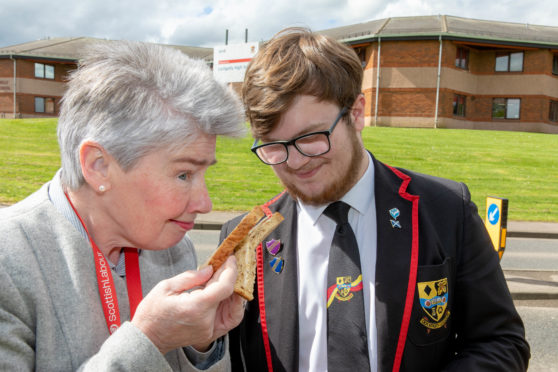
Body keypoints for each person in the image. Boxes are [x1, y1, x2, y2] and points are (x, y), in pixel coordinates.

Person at [220, 28, 530, 372]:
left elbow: (500, 342)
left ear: (357, 113)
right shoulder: (246, 239)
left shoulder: (446, 210)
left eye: (310, 138)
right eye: (273, 146)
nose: (294, 162)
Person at [0, 40, 247, 371]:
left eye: (204, 173)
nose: (205, 203)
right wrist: (150, 340)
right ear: (99, 165)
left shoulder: (176, 249)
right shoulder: (8, 263)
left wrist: (200, 342)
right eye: (184, 174)